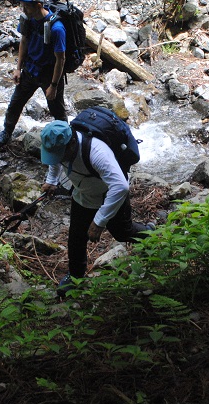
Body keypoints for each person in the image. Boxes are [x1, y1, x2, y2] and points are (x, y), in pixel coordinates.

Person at [39, 120, 153, 296]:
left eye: (60, 153)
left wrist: (99, 221)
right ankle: (76, 276)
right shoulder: (61, 147)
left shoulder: (97, 153)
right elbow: (55, 160)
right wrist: (51, 181)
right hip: (83, 193)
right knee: (76, 237)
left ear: (71, 145)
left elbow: (120, 187)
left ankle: (149, 232)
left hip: (110, 196)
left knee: (123, 233)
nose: (58, 157)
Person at [0, 0, 67, 151]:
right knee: (15, 104)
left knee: (58, 111)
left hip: (49, 75)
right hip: (30, 70)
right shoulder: (28, 20)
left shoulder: (57, 28)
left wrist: (53, 86)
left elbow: (60, 59)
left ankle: (66, 142)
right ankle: (6, 132)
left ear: (38, 5)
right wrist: (18, 68)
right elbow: (24, 41)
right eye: (22, 4)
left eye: (26, 4)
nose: (23, 8)